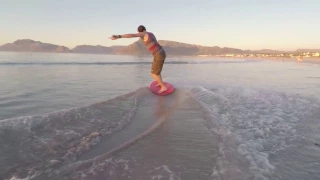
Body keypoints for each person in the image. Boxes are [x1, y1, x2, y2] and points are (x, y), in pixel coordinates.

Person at [109, 25, 168, 93]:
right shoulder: (150, 33)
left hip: (158, 54)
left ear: (140, 31)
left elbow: (130, 35)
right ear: (145, 29)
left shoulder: (143, 34)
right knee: (157, 71)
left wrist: (118, 36)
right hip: (161, 52)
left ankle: (163, 87)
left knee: (154, 74)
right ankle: (160, 83)